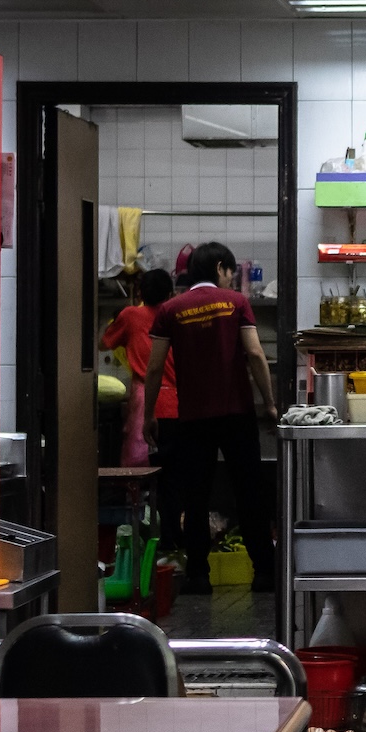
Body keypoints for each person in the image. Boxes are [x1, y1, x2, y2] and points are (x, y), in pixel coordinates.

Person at [144, 241, 278, 593]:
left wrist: (149, 415)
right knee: (249, 492)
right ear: (220, 267)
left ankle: (197, 576)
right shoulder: (237, 303)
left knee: (196, 496)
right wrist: (270, 403)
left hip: (193, 418)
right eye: (231, 271)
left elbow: (154, 367)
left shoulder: (171, 309)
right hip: (237, 414)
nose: (232, 279)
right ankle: (264, 572)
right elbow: (255, 354)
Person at [101, 268, 174, 468]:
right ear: (170, 295)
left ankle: (137, 498)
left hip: (144, 393)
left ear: (140, 293)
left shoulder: (131, 315)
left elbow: (103, 344)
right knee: (171, 460)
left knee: (138, 456)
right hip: (176, 398)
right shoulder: (174, 315)